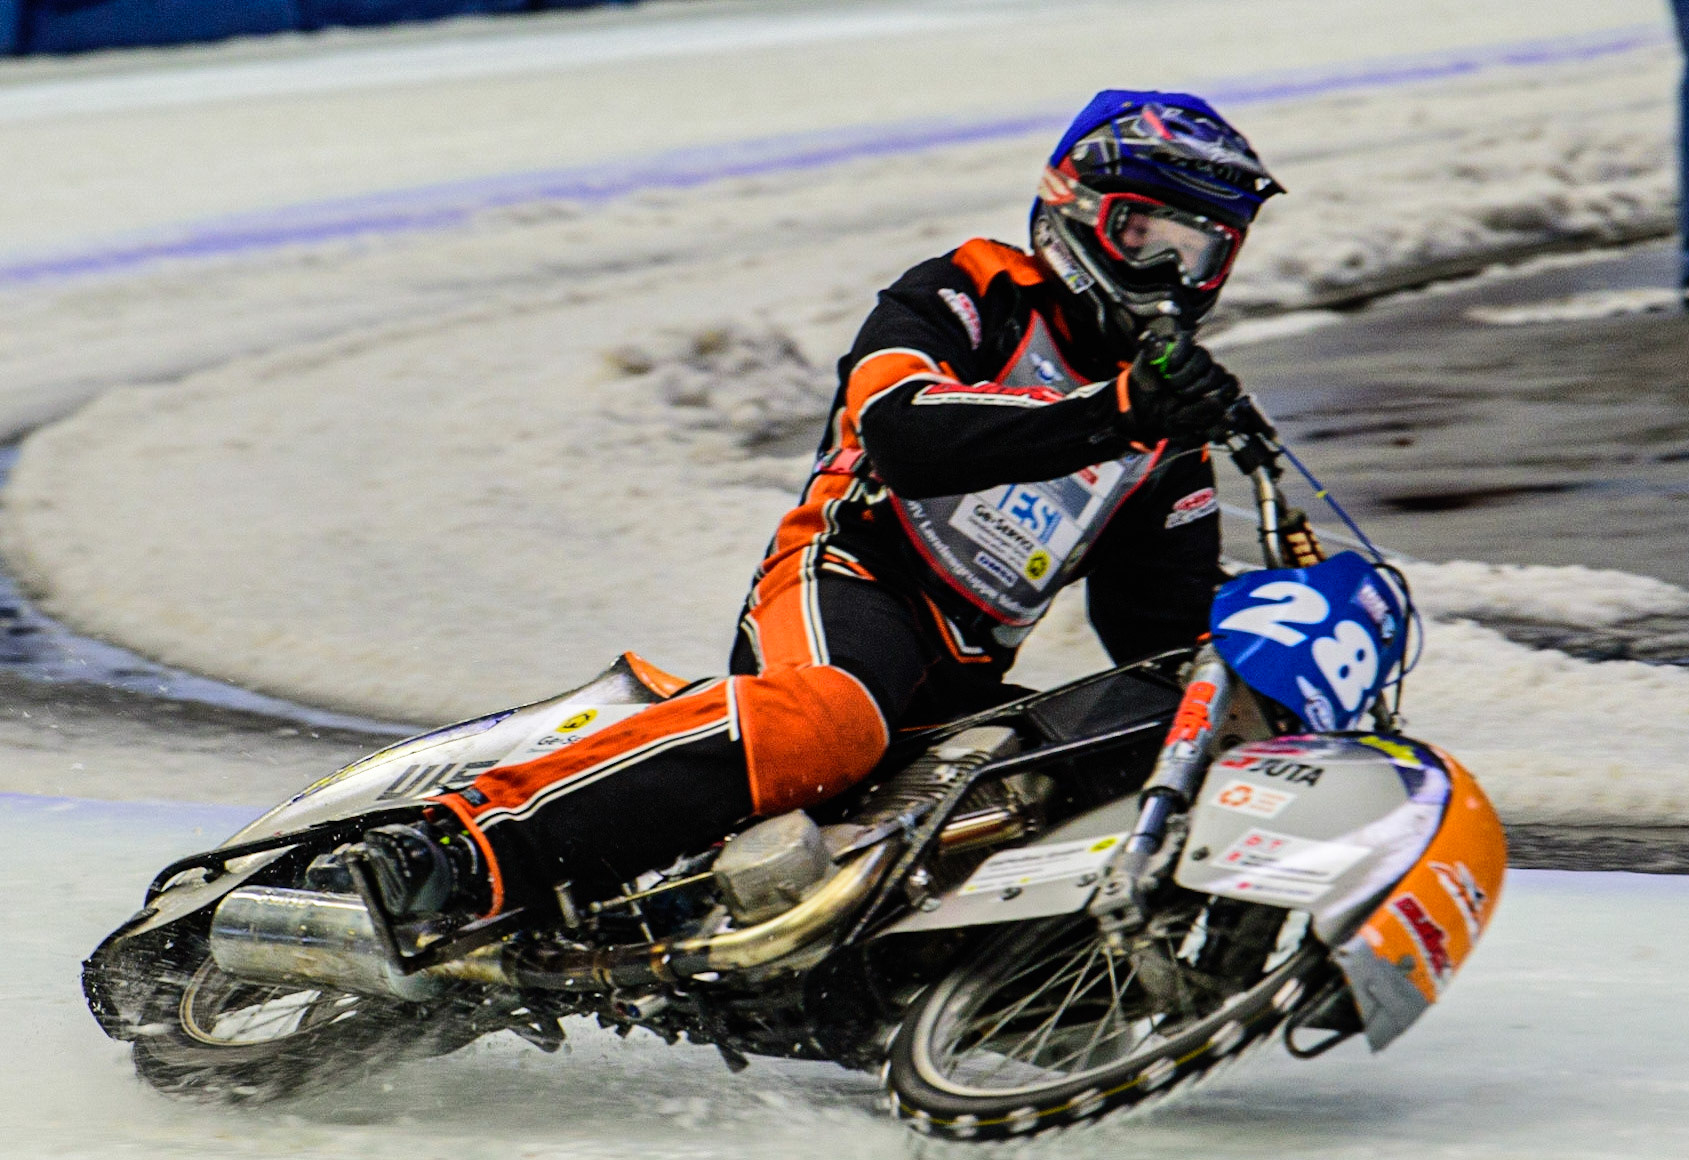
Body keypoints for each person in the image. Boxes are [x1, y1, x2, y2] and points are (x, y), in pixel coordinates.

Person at [314, 89, 1286, 923]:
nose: (1172, 275)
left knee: (1091, 763)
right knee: (834, 720)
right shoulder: (969, 292)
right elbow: (904, 434)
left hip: (961, 672)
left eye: (1201, 253)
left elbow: (1155, 631)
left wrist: (1280, 642)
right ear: (1072, 208)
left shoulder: (1167, 428)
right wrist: (1113, 413)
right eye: (1144, 236)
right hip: (847, 581)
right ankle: (463, 847)